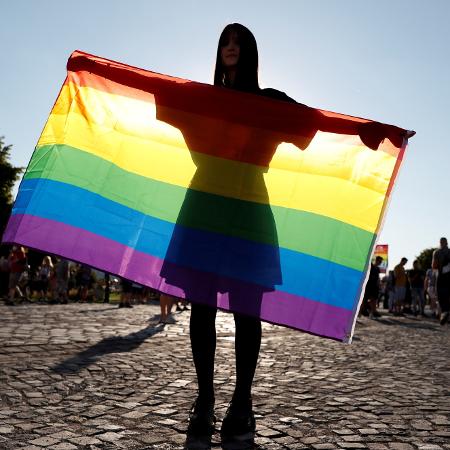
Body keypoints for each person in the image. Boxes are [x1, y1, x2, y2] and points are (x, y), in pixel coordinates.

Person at [153, 23, 412, 443]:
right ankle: (204, 403)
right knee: (201, 309)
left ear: (251, 52)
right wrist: (95, 71)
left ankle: (242, 404)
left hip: (251, 211)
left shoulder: (271, 104)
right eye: (226, 41)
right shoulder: (203, 100)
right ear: (218, 50)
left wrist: (369, 130)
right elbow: (150, 93)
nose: (231, 47)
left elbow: (319, 122)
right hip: (202, 208)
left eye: (239, 42)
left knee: (246, 312)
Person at [432, 237, 450, 325]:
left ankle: (444, 313)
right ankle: (446, 313)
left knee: (441, 296)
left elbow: (434, 266)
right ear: (447, 243)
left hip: (441, 277)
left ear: (440, 243)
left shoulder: (437, 252)